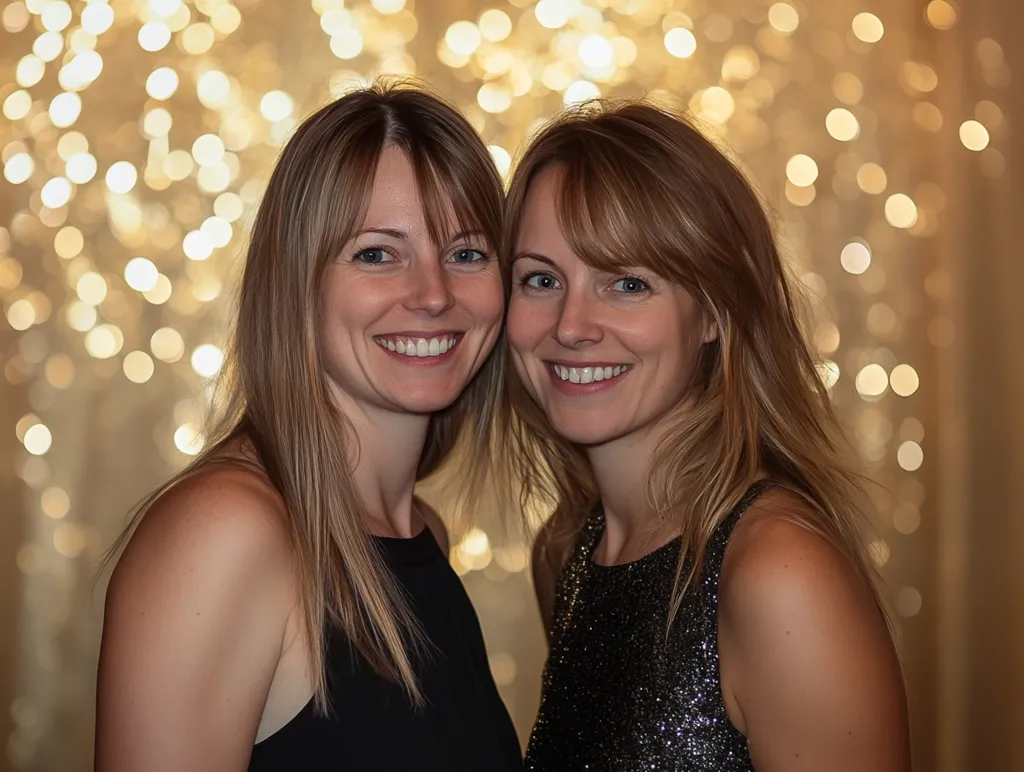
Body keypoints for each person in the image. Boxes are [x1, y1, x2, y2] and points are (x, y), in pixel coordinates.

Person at [95, 82, 522, 772]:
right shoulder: (226, 532)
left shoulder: (421, 536)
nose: (435, 292)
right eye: (377, 254)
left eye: (467, 253)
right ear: (298, 282)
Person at [497, 101, 912, 771]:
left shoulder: (778, 573)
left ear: (715, 312)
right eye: (541, 279)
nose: (570, 325)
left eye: (628, 283)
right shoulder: (569, 549)